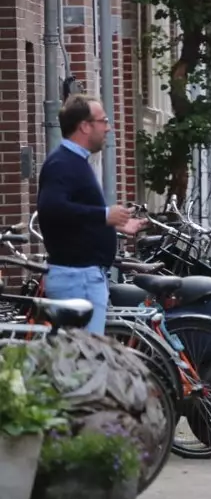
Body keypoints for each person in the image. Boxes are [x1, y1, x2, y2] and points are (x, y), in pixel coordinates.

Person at [37, 95, 145, 334]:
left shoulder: (74, 161)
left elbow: (72, 217)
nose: (108, 128)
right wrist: (104, 216)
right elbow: (51, 209)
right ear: (85, 126)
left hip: (82, 277)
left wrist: (115, 223)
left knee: (79, 354)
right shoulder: (62, 163)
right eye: (103, 121)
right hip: (78, 279)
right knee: (84, 354)